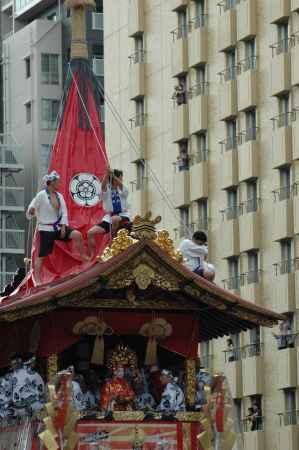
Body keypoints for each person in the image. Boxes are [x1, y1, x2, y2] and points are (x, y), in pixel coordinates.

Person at [26, 171, 89, 285]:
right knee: (42, 255)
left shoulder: (59, 196)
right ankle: (37, 279)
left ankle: (84, 257)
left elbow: (64, 212)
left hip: (58, 227)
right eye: (57, 182)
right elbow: (32, 206)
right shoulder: (41, 195)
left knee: (77, 235)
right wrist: (31, 211)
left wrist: (64, 226)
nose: (59, 184)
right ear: (52, 183)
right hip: (45, 229)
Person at [87, 168, 131, 257]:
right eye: (121, 177)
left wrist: (113, 175)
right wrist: (107, 174)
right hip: (108, 218)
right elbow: (102, 186)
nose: (121, 180)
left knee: (114, 219)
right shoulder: (107, 190)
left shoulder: (123, 190)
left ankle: (113, 242)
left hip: (122, 215)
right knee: (90, 233)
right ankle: (92, 255)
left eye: (120, 178)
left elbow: (120, 184)